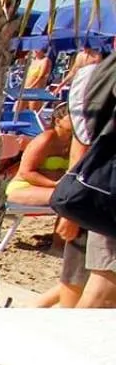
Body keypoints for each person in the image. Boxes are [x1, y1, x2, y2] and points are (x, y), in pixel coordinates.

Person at [62, 51, 116, 309]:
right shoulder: (104, 73)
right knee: (102, 294)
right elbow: (84, 142)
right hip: (108, 195)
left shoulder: (100, 71)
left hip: (101, 191)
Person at [6, 104, 73, 209]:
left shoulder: (75, 142)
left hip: (56, 189)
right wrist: (53, 184)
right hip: (24, 187)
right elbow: (26, 172)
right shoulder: (45, 139)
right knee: (67, 198)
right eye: (72, 117)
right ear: (58, 121)